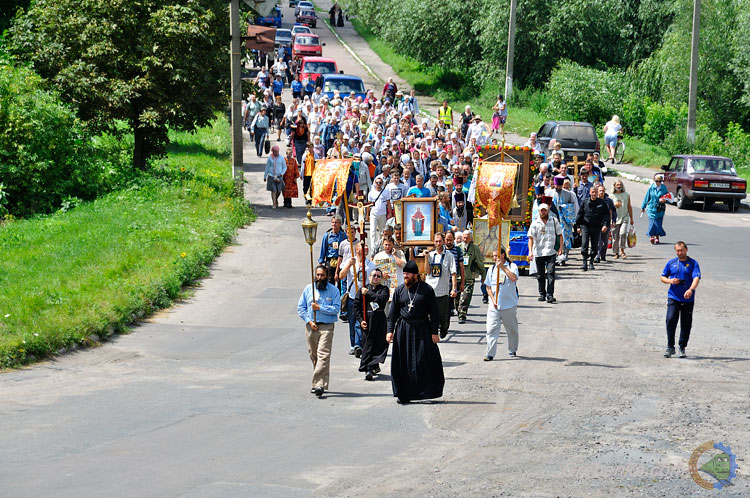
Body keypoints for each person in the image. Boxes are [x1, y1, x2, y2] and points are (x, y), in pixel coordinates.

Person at [387, 260, 445, 404]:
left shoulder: (426, 290)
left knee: (424, 360)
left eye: (407, 274)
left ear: (415, 275)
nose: (405, 276)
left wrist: (434, 332)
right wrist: (389, 330)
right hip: (403, 330)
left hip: (422, 329)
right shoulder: (400, 290)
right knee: (403, 362)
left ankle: (426, 391)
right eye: (404, 274)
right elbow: (392, 313)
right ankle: (403, 393)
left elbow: (434, 313)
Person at [297, 265, 341, 397]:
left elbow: (336, 309)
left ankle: (318, 384)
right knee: (314, 355)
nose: (319, 278)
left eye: (322, 275)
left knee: (323, 355)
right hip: (311, 326)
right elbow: (301, 308)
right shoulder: (308, 289)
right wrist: (309, 321)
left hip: (326, 327)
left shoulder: (334, 291)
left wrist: (320, 308)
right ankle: (319, 379)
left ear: (327, 276)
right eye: (317, 275)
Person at [660, 241, 701, 358]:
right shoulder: (671, 263)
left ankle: (682, 347)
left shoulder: (693, 263)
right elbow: (663, 277)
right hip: (673, 296)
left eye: (681, 250)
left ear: (686, 250)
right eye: (677, 251)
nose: (680, 253)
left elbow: (696, 278)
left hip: (688, 298)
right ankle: (670, 347)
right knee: (670, 320)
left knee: (686, 324)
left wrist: (691, 289)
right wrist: (670, 281)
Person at [339, 241, 376, 357]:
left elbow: (375, 278)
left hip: (365, 297)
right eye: (362, 246)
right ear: (356, 249)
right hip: (352, 296)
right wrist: (349, 265)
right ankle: (353, 344)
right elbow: (341, 276)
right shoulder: (351, 262)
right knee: (352, 321)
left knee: (360, 322)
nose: (365, 247)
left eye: (366, 246)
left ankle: (358, 344)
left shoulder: (370, 264)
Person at [354, 268, 390, 380]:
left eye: (378, 276)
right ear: (369, 277)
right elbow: (356, 306)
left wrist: (368, 293)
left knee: (379, 344)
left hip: (379, 320)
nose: (376, 278)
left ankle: (374, 364)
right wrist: (361, 320)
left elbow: (381, 299)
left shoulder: (384, 289)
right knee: (368, 344)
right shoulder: (363, 289)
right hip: (367, 320)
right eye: (374, 275)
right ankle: (368, 368)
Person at [484, 247, 519, 360]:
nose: (495, 258)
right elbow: (488, 287)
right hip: (494, 305)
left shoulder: (512, 266)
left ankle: (512, 349)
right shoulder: (491, 269)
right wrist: (493, 300)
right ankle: (490, 353)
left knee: (511, 329)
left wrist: (503, 267)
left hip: (508, 304)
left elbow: (513, 278)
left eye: (497, 255)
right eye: (493, 256)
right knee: (491, 330)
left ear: (503, 255)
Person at [527, 203, 563, 303]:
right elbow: (530, 238)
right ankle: (542, 293)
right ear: (539, 212)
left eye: (545, 210)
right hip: (539, 252)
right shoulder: (535, 223)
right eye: (541, 210)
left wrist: (560, 248)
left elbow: (560, 235)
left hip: (551, 251)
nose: (543, 212)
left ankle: (550, 295)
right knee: (540, 275)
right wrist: (530, 252)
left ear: (548, 211)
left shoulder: (554, 221)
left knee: (551, 273)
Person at [425, 232, 457, 338]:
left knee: (443, 316)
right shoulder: (430, 255)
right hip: (430, 290)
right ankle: (431, 333)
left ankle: (444, 329)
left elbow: (453, 273)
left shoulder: (449, 256)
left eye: (440, 241)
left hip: (443, 292)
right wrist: (425, 258)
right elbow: (427, 271)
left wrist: (454, 289)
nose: (438, 243)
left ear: (443, 242)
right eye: (436, 241)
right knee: (429, 316)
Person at [576, 186, 610, 271]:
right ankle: (584, 263)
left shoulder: (602, 203)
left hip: (596, 227)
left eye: (595, 192)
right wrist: (577, 226)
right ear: (590, 193)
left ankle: (591, 262)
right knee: (584, 244)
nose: (594, 194)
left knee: (594, 246)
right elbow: (580, 214)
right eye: (592, 192)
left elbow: (606, 215)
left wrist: (605, 225)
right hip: (585, 226)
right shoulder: (585, 202)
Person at [458, 230, 486, 324]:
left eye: (467, 238)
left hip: (469, 277)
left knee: (466, 297)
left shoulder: (475, 249)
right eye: (464, 238)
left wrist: (483, 276)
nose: (465, 240)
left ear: (471, 238)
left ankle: (462, 314)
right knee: (457, 298)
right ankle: (458, 310)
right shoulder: (458, 248)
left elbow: (480, 263)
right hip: (458, 278)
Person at [641, 174, 668, 244]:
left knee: (658, 223)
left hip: (660, 209)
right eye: (656, 181)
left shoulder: (664, 188)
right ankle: (652, 236)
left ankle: (657, 237)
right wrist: (643, 207)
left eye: (659, 181)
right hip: (651, 208)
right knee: (652, 223)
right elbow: (647, 198)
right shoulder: (651, 188)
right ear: (654, 181)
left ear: (661, 181)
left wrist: (664, 200)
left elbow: (669, 197)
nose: (658, 183)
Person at [318, 216, 346, 285]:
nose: (334, 224)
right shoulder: (327, 236)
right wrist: (321, 260)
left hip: (340, 260)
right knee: (330, 281)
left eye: (336, 222)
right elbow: (323, 248)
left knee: (340, 281)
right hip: (330, 261)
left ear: (340, 224)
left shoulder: (343, 236)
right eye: (333, 222)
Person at [610, 179, 634, 259]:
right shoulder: (611, 196)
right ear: (614, 186)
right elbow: (609, 209)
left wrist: (631, 218)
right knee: (615, 236)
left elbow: (629, 206)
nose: (619, 186)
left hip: (624, 217)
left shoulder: (626, 195)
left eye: (620, 185)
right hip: (615, 219)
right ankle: (616, 252)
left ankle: (622, 251)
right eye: (617, 185)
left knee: (623, 233)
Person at [264, 144, 287, 209]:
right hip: (271, 176)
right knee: (274, 190)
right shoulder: (270, 158)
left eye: (277, 152)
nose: (276, 153)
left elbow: (284, 167)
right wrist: (265, 176)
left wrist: (282, 173)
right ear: (273, 152)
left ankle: (275, 199)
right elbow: (267, 167)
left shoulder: (281, 158)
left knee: (279, 191)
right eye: (275, 152)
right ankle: (274, 203)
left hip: (279, 176)